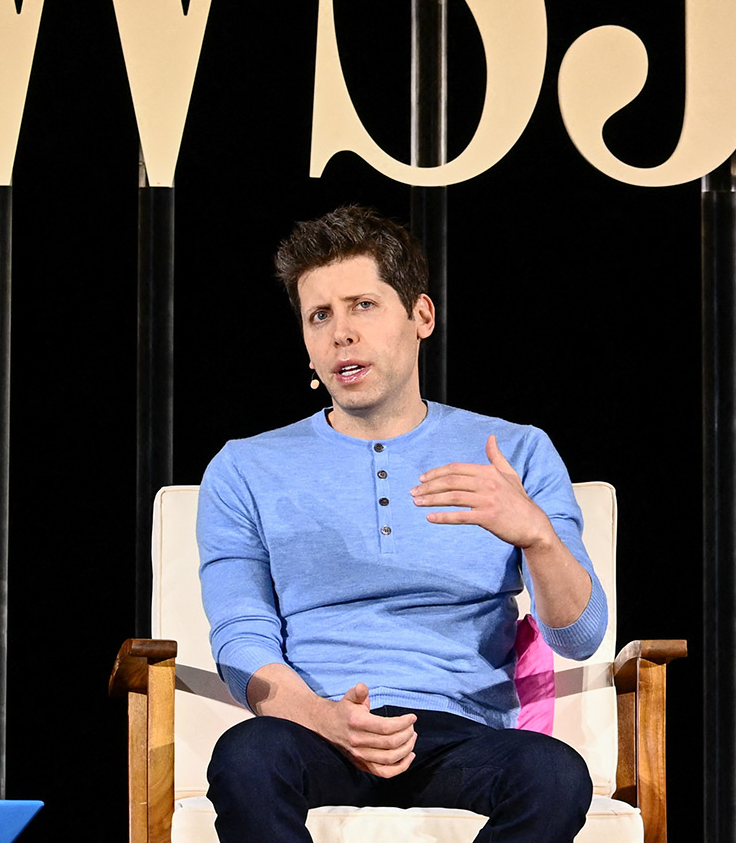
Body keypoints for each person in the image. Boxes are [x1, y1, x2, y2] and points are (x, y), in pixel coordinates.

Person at [198, 205, 606, 843]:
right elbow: (241, 637)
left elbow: (580, 637)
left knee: (554, 774)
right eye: (319, 315)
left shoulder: (516, 451)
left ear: (421, 316)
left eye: (363, 305)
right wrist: (325, 719)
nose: (341, 334)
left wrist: (538, 537)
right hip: (316, 727)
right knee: (245, 758)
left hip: (463, 734)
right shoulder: (245, 467)